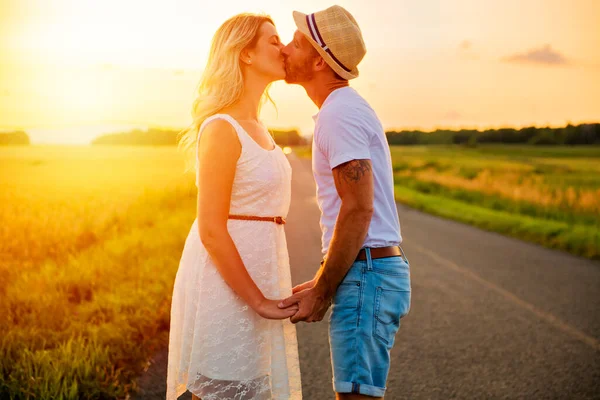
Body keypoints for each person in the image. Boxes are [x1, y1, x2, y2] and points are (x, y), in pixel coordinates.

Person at [166, 13, 302, 400]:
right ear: (244, 54)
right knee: (221, 388)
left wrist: (266, 293)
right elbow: (210, 228)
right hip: (226, 285)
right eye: (273, 40)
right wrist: (256, 300)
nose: (283, 47)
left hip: (261, 274)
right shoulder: (222, 127)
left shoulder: (261, 127)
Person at [279, 5, 411, 399]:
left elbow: (358, 208)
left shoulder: (338, 114)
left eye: (296, 42)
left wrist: (322, 288)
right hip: (368, 271)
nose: (285, 49)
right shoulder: (339, 110)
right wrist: (326, 276)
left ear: (318, 60)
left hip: (368, 273)